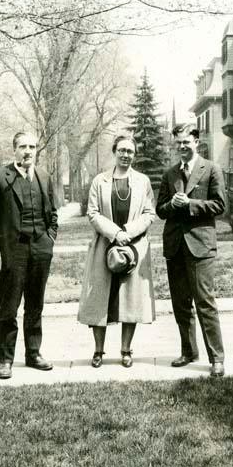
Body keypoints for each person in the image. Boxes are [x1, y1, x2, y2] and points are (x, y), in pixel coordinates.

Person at [0, 131, 58, 379]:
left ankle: (33, 353)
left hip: (40, 249)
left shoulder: (44, 177)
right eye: (23, 147)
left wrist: (49, 239)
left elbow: (53, 214)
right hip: (12, 252)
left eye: (32, 147)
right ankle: (5, 360)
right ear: (14, 149)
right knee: (9, 306)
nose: (28, 151)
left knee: (35, 304)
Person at [78, 135, 156, 368]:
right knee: (99, 297)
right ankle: (98, 351)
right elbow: (92, 213)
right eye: (121, 150)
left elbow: (149, 213)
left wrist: (129, 232)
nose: (125, 155)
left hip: (133, 247)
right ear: (114, 152)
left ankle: (125, 350)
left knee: (129, 299)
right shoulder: (99, 181)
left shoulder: (142, 181)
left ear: (134, 154)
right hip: (105, 245)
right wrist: (115, 233)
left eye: (130, 151)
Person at [156, 123, 226, 377]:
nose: (182, 147)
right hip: (175, 246)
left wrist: (191, 204)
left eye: (186, 142)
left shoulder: (211, 169)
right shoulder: (170, 174)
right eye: (178, 143)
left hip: (201, 246)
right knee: (180, 303)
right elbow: (159, 210)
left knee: (205, 302)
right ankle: (189, 351)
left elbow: (220, 205)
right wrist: (172, 205)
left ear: (196, 141)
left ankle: (217, 358)